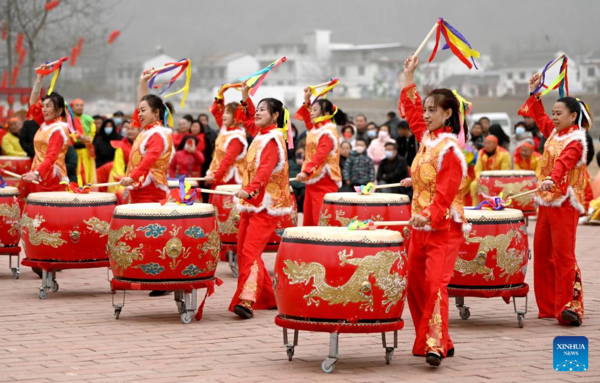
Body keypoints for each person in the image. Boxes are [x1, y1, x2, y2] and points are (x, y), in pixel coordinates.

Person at [400, 54, 470, 367]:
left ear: (448, 114)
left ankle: (434, 345)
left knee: (435, 285)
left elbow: (445, 194)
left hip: (443, 228)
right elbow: (412, 112)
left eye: (433, 110)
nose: (426, 115)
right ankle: (441, 338)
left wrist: (427, 215)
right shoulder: (427, 140)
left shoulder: (451, 150)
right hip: (419, 226)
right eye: (426, 109)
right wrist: (409, 75)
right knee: (413, 284)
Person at [519, 72, 591, 326]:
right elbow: (538, 117)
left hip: (565, 202)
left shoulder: (576, 139)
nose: (553, 117)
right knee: (542, 253)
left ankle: (570, 306)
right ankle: (548, 307)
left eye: (559, 113)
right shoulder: (554, 133)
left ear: (573, 116)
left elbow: (564, 161)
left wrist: (553, 177)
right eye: (553, 112)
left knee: (563, 255)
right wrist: (533, 92)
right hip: (547, 201)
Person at [229, 83, 292, 319]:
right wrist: (245, 96)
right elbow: (246, 117)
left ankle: (247, 300)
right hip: (252, 203)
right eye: (258, 108)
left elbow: (264, 171)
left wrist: (250, 190)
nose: (258, 112)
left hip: (265, 205)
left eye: (263, 110)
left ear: (275, 116)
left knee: (250, 251)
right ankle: (267, 295)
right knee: (243, 250)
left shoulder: (274, 140)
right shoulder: (260, 134)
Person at [120, 69, 174, 205]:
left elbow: (149, 159)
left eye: (143, 111)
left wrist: (132, 177)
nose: (139, 114)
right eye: (139, 111)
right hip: (139, 187)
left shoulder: (158, 134)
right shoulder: (147, 131)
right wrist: (143, 81)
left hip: (150, 191)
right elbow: (142, 104)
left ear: (156, 113)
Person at [294, 87, 347, 226]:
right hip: (313, 177)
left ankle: (323, 246)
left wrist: (306, 171)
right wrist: (307, 100)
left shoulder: (328, 132)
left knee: (321, 219)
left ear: (327, 113)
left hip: (324, 179)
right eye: (312, 109)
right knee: (309, 217)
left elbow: (320, 155)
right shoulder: (316, 129)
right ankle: (310, 246)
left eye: (315, 110)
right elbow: (307, 119)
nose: (312, 112)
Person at [19, 64, 71, 195]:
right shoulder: (46, 124)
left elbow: (51, 157)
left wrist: (37, 173)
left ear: (59, 110)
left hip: (52, 178)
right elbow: (33, 103)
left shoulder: (58, 130)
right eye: (43, 106)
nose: (43, 109)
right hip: (39, 175)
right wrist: (39, 79)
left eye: (48, 106)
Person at [205, 94, 247, 186]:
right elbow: (217, 114)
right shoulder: (225, 131)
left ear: (236, 116)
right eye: (224, 112)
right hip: (219, 177)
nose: (223, 115)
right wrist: (219, 99)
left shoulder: (236, 137)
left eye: (227, 113)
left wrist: (216, 177)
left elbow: (227, 161)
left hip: (230, 180)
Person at [470, 135, 511, 202]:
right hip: (483, 179)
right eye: (485, 143)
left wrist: (493, 180)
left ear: (495, 144)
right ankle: (476, 206)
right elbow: (478, 169)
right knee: (474, 185)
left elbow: (505, 172)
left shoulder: (504, 154)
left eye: (489, 143)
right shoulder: (481, 153)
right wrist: (480, 179)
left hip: (499, 180)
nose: (486, 145)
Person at [107, 119, 141, 200]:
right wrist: (127, 180)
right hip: (123, 179)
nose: (129, 131)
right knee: (121, 193)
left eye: (132, 129)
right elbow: (118, 169)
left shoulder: (144, 145)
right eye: (127, 129)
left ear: (140, 130)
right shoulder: (121, 147)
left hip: (140, 178)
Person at [70, 99, 97, 184]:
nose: (80, 107)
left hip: (87, 150)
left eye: (81, 105)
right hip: (74, 150)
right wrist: (77, 138)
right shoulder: (69, 120)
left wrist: (88, 139)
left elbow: (92, 132)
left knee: (88, 172)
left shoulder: (89, 119)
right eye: (77, 105)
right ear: (72, 107)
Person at [288, 146, 306, 212]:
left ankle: (302, 210)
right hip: (293, 183)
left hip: (302, 184)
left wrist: (302, 164)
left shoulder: (305, 162)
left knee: (304, 194)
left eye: (302, 152)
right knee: (293, 193)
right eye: (299, 153)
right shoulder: (290, 162)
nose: (300, 154)